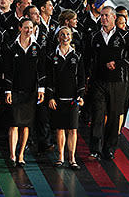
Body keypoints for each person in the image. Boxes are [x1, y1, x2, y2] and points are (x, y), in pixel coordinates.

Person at [88, 6, 129, 160]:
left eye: (106, 16)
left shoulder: (125, 36)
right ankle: (95, 149)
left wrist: (119, 63)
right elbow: (88, 58)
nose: (103, 18)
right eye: (102, 16)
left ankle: (109, 148)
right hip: (99, 82)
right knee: (97, 115)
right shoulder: (94, 36)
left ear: (113, 18)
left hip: (118, 82)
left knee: (113, 116)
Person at [2, 18, 45, 167]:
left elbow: (41, 70)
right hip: (15, 90)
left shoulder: (37, 47)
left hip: (30, 92)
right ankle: (12, 155)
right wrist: (8, 91)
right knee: (14, 124)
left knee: (26, 125)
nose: (28, 30)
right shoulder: (11, 47)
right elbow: (7, 70)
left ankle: (21, 155)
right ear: (20, 28)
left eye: (31, 28)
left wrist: (41, 89)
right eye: (26, 27)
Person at [46, 27, 85, 170]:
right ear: (58, 37)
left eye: (68, 34)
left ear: (71, 37)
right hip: (58, 99)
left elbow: (81, 78)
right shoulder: (51, 56)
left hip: (73, 99)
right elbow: (49, 79)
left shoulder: (77, 56)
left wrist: (80, 96)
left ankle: (72, 158)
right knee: (60, 129)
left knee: (73, 129)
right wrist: (50, 97)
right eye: (62, 34)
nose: (65, 37)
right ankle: (61, 157)